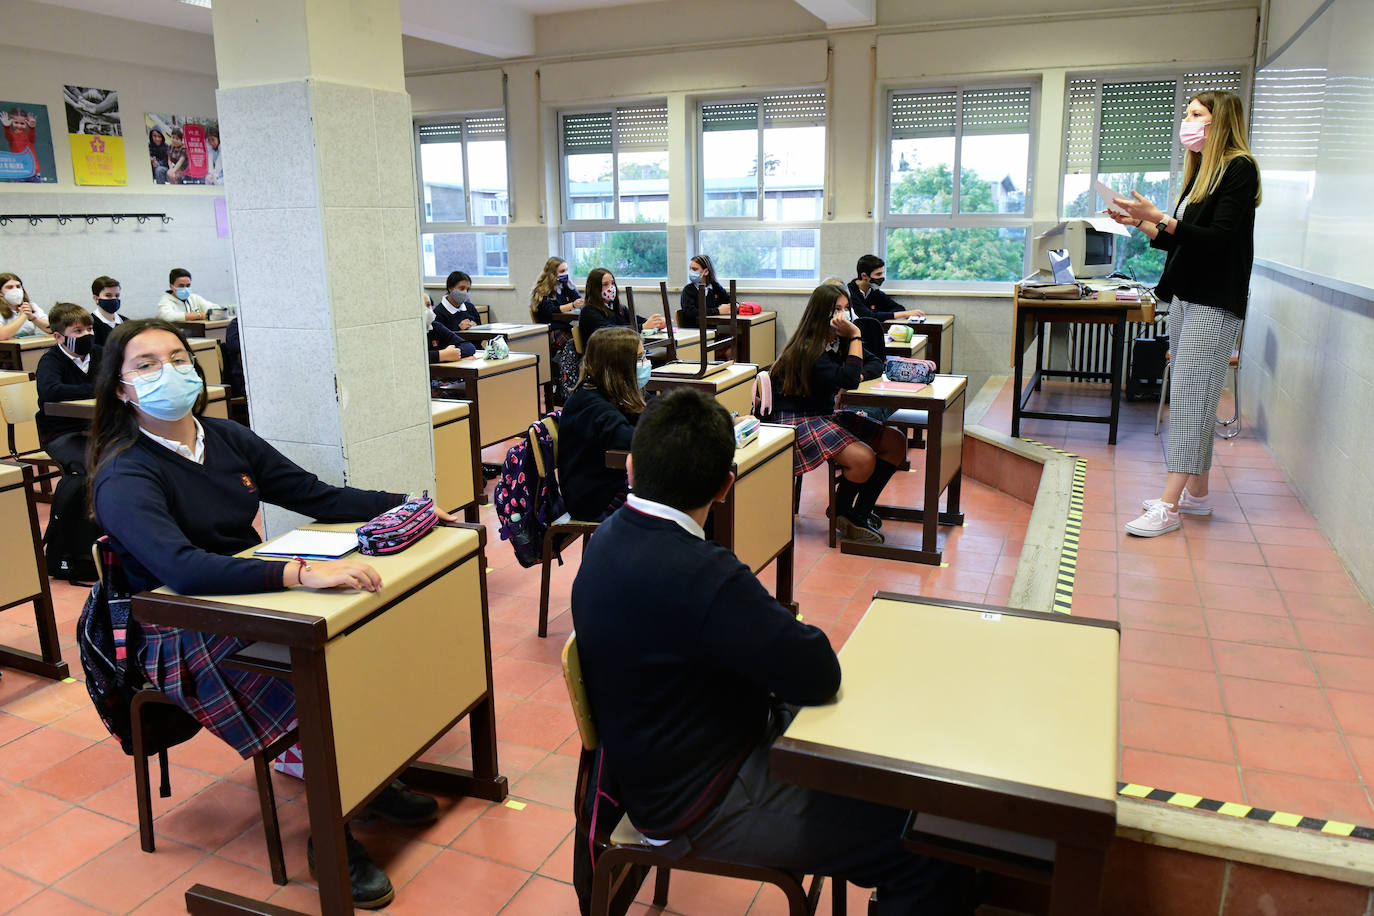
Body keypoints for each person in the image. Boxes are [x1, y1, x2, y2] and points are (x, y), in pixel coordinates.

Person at [88, 318, 452, 909]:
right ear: (123, 389)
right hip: (175, 624)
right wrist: (301, 573)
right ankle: (330, 835)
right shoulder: (125, 472)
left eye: (177, 357)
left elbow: (317, 496)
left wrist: (412, 506)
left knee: (358, 644)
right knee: (312, 679)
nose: (169, 372)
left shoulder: (225, 437)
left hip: (246, 596)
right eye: (146, 365)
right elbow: (181, 569)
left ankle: (369, 779)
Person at [571, 388, 972, 916]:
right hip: (702, 798)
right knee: (930, 849)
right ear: (724, 487)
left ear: (630, 467)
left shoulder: (603, 541)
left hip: (653, 771)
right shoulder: (705, 574)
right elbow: (817, 673)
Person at [1113, 90, 1261, 537]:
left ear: (1221, 121)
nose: (1187, 120)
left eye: (1197, 114)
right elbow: (1185, 241)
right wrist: (1139, 222)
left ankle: (1169, 506)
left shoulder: (1239, 167)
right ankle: (1196, 495)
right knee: (1192, 392)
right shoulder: (1203, 173)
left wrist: (1159, 215)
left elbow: (1217, 240)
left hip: (1216, 301)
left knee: (1192, 401)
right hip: (1187, 297)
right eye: (1187, 113)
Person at [770, 282, 908, 544]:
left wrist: (852, 369)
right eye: (837, 310)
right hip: (798, 419)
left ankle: (856, 512)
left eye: (847, 309)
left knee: (895, 442)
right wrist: (855, 336)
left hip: (823, 414)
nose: (843, 316)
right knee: (863, 458)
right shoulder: (808, 347)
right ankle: (844, 512)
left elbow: (876, 363)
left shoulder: (838, 340)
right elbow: (850, 378)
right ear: (821, 312)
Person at [557, 327, 649, 521]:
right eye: (639, 358)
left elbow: (657, 409)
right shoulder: (588, 403)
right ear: (619, 367)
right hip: (594, 499)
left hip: (612, 482)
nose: (645, 363)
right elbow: (628, 439)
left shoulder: (617, 393)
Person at [35, 303, 100, 474]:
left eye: (90, 329)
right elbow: (51, 391)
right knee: (98, 463)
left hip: (100, 430)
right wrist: (96, 389)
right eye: (78, 331)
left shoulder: (101, 354)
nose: (87, 335)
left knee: (136, 456)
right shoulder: (51, 361)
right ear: (59, 337)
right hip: (63, 433)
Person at [578, 267, 665, 342]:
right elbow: (610, 332)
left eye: (612, 283)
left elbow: (635, 320)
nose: (611, 287)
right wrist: (642, 327)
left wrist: (655, 323)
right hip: (601, 357)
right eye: (605, 284)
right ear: (594, 288)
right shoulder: (589, 311)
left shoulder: (618, 307)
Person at [848, 255, 925, 323]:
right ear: (864, 276)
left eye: (883, 273)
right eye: (878, 274)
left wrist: (880, 315)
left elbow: (899, 308)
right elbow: (867, 316)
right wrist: (905, 314)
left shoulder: (875, 292)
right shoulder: (849, 292)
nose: (882, 277)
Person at [679, 253, 732, 325]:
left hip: (713, 330)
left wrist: (735, 306)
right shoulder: (688, 290)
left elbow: (729, 300)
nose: (691, 272)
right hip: (694, 329)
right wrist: (717, 311)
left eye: (695, 269)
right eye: (690, 269)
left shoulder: (715, 287)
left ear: (706, 272)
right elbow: (691, 312)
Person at [530, 256, 583, 325]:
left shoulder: (565, 285)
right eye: (562, 271)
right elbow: (550, 311)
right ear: (552, 274)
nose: (566, 273)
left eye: (566, 270)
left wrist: (580, 302)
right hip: (551, 328)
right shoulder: (542, 290)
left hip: (564, 325)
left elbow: (578, 299)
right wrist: (572, 305)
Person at [425, 294, 477, 363]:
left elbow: (469, 347)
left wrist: (454, 353)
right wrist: (441, 355)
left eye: (428, 305)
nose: (427, 310)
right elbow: (414, 357)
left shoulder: (435, 326)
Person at [0, 272, 51, 339]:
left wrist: (32, 318)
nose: (15, 290)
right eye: (10, 287)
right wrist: (23, 316)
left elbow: (52, 329)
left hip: (30, 347)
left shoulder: (32, 306)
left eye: (18, 286)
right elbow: (1, 335)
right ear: (0, 292)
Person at [89, 275, 126, 346]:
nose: (114, 299)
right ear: (96, 298)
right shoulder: (89, 325)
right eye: (108, 295)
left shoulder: (126, 322)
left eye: (117, 295)